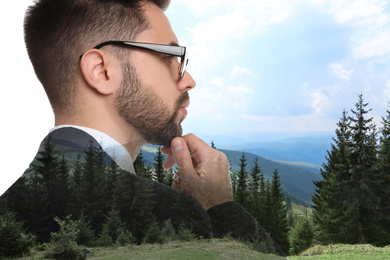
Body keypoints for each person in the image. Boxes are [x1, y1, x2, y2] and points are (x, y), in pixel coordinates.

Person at [0, 0, 284, 256]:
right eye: (169, 56)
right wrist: (219, 209)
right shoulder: (168, 214)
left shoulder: (7, 210)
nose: (189, 80)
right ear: (102, 71)